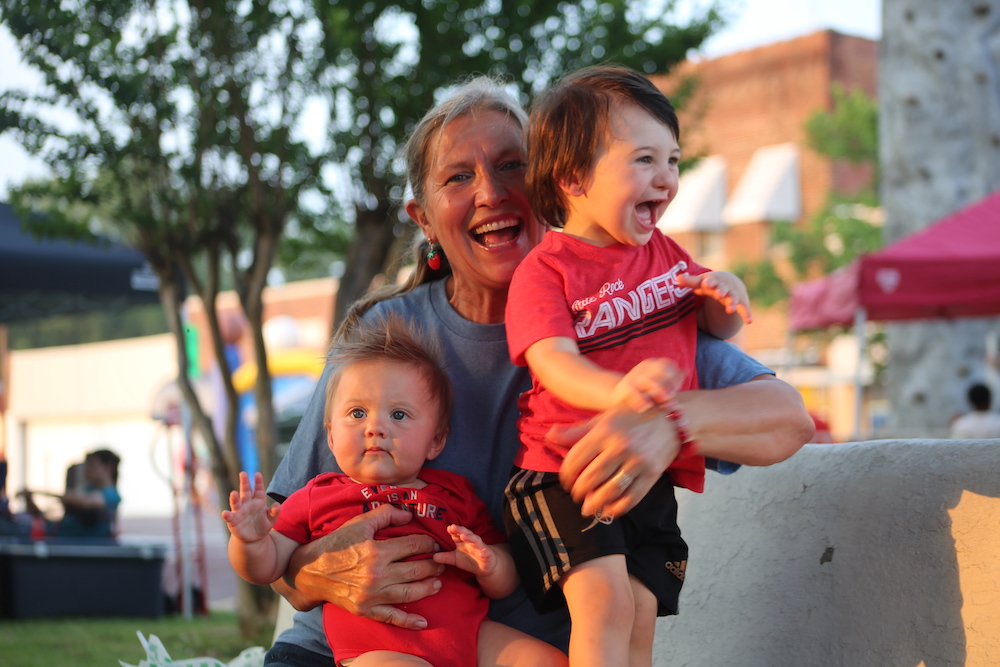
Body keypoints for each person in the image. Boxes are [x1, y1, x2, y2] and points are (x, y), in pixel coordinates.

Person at [265, 75, 815, 667]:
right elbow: (279, 546)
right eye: (459, 177)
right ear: (423, 219)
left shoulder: (632, 311)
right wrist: (326, 577)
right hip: (353, 650)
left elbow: (789, 420)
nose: (491, 193)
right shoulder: (382, 337)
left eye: (511, 166)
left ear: (557, 180)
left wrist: (667, 423)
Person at [502, 64, 752, 667]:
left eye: (673, 160)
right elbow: (554, 363)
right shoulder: (547, 269)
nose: (665, 178)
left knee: (640, 612)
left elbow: (710, 327)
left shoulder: (664, 254)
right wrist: (622, 391)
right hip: (564, 473)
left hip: (645, 478)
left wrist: (726, 295)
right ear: (573, 176)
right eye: (644, 159)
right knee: (606, 603)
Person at [225, 316, 565, 667]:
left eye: (399, 414)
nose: (376, 428)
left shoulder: (456, 494)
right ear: (330, 436)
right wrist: (250, 543)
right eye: (357, 412)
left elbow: (503, 580)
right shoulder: (318, 497)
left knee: (546, 661)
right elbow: (267, 568)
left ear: (436, 441)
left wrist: (490, 564)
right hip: (379, 651)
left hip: (470, 637)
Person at [19, 448, 122, 541]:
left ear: (109, 467)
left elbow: (84, 501)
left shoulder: (111, 494)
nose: (87, 470)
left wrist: (39, 492)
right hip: (55, 538)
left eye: (92, 465)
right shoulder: (86, 489)